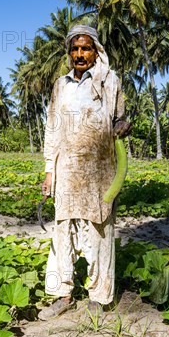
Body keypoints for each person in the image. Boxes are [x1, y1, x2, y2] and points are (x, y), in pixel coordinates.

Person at [38, 25, 131, 320]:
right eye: (75, 49)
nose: (80, 54)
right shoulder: (60, 85)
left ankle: (98, 296)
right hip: (66, 169)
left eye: (86, 48)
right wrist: (49, 172)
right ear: (69, 53)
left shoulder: (109, 80)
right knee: (63, 230)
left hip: (100, 169)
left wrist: (123, 125)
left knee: (99, 230)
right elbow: (51, 130)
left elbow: (121, 118)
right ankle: (63, 293)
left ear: (96, 51)